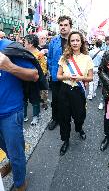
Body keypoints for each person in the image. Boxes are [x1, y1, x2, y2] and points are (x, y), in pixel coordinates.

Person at [0, 38, 39, 190]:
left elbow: (34, 75)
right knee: (7, 148)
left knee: (17, 153)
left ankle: (20, 184)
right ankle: (12, 162)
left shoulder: (9, 47)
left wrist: (8, 66)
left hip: (10, 113)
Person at [57, 31, 93, 156]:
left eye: (77, 40)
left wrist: (80, 78)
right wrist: (67, 76)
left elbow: (90, 77)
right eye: (72, 40)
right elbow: (58, 76)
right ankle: (65, 140)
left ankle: (79, 128)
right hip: (65, 90)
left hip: (78, 91)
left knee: (79, 115)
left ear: (81, 42)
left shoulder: (87, 58)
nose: (75, 43)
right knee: (64, 117)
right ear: (69, 42)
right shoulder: (64, 57)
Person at [47, 15, 72, 130]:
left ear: (70, 27)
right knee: (55, 99)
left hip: (71, 76)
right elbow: (50, 58)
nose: (63, 27)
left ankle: (66, 118)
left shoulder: (75, 40)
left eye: (65, 25)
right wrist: (51, 73)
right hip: (56, 76)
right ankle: (55, 118)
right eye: (61, 25)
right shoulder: (54, 41)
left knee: (68, 99)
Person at [24, 34, 47, 125]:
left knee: (35, 100)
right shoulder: (24, 52)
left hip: (34, 82)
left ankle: (35, 116)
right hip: (24, 80)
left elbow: (44, 69)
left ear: (31, 44)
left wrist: (35, 75)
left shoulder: (39, 54)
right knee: (23, 99)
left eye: (25, 42)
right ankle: (24, 115)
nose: (24, 44)